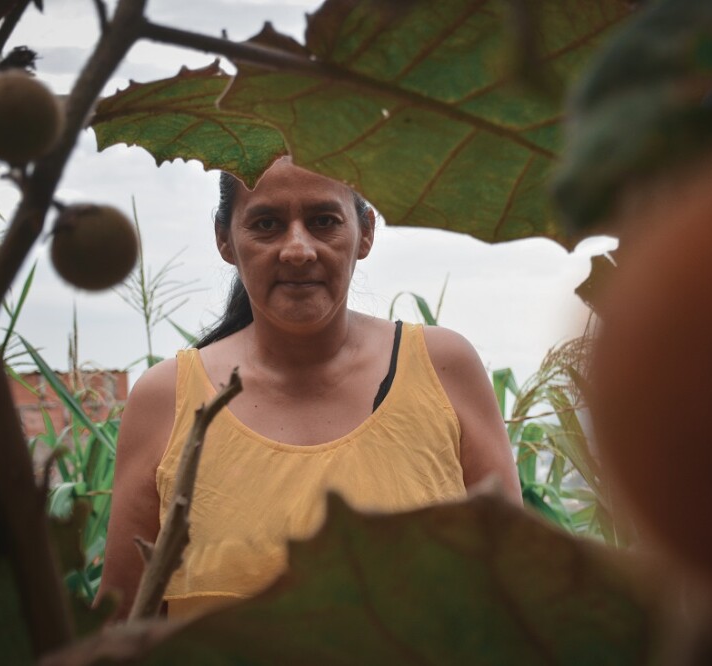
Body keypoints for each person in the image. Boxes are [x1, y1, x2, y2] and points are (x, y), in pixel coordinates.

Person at [99, 158, 522, 620]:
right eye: (267, 224)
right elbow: (121, 630)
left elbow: (513, 592)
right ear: (225, 239)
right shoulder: (168, 400)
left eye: (324, 221)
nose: (298, 250)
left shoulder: (444, 370)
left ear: (366, 231)